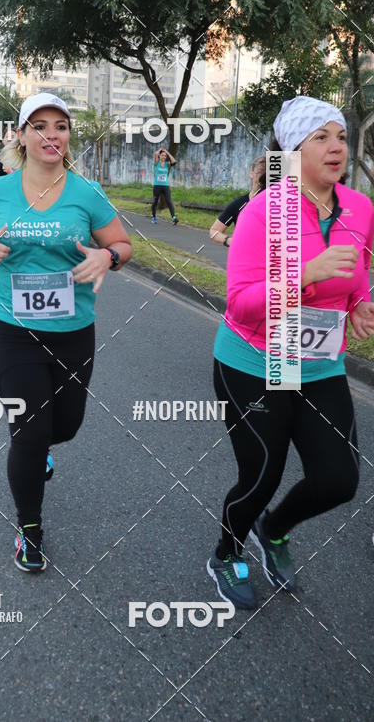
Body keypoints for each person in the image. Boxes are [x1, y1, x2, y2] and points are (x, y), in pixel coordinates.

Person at [207, 96, 374, 610]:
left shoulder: (361, 207)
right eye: (320, 138)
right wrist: (304, 277)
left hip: (320, 362)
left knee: (339, 479)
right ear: (293, 151)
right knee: (262, 474)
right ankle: (226, 551)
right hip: (258, 359)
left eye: (341, 137)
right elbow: (241, 303)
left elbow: (358, 267)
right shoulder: (263, 213)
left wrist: (360, 304)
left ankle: (273, 529)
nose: (335, 147)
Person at [0, 92, 132, 573]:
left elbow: (121, 242)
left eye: (59, 126)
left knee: (65, 426)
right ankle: (29, 529)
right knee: (30, 431)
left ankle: (41, 454)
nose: (51, 134)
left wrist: (107, 257)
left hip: (74, 328)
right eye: (39, 125)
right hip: (11, 327)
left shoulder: (86, 192)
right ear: (21, 136)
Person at [209, 156, 266, 248]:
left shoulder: (277, 204)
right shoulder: (239, 204)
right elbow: (214, 231)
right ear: (251, 173)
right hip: (243, 258)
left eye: (266, 172)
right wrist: (229, 241)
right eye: (260, 171)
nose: (262, 176)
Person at [151, 147, 178, 224]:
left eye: (165, 156)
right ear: (160, 156)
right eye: (162, 155)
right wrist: (160, 150)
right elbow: (155, 154)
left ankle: (173, 217)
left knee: (169, 201)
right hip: (157, 185)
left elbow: (174, 161)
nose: (164, 157)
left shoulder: (167, 164)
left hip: (165, 186)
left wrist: (167, 152)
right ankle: (154, 217)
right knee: (154, 202)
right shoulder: (156, 163)